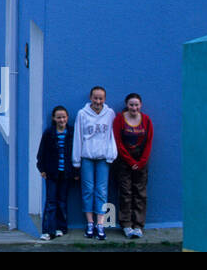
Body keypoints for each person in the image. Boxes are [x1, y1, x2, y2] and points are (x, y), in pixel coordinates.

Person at [71, 86, 118, 240]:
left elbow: (112, 135)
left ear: (104, 99)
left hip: (103, 158)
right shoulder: (82, 114)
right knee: (88, 190)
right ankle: (89, 223)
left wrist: (111, 154)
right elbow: (78, 137)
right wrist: (76, 160)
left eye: (101, 98)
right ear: (90, 98)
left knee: (102, 190)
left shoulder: (110, 114)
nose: (98, 101)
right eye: (95, 98)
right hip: (87, 158)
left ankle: (100, 224)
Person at [113, 93, 154, 239]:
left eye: (136, 104)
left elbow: (149, 142)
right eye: (131, 104)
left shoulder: (147, 120)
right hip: (124, 161)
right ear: (126, 105)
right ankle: (127, 225)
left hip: (141, 161)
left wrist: (141, 162)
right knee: (126, 193)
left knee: (140, 193)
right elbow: (117, 141)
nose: (134, 107)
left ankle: (138, 225)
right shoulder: (119, 119)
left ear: (140, 105)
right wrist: (130, 161)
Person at [35, 105, 74, 240]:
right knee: (51, 202)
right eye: (58, 117)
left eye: (63, 117)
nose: (61, 120)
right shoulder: (49, 133)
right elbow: (41, 152)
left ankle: (60, 228)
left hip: (66, 173)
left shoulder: (72, 133)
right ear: (54, 118)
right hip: (52, 173)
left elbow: (76, 153)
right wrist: (42, 169)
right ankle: (48, 230)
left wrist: (76, 172)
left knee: (62, 201)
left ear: (67, 118)